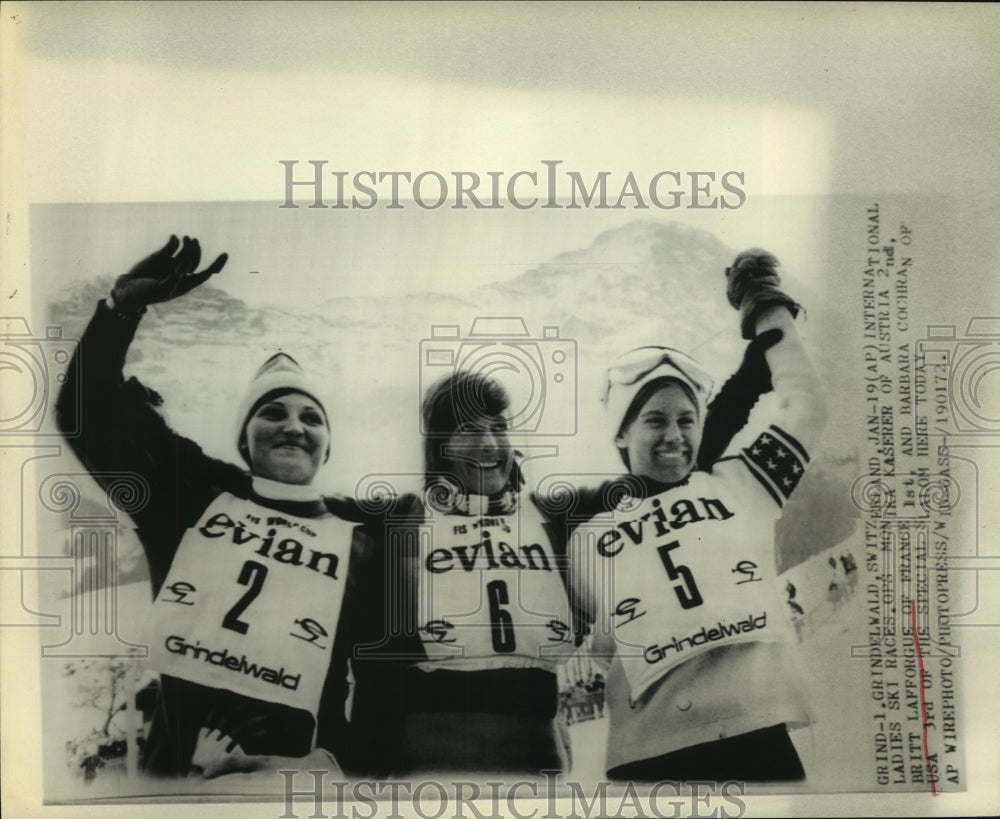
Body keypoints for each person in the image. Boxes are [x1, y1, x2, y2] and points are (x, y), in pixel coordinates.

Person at [56, 236, 365, 778]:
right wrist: (120, 309)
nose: (294, 426)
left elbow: (380, 686)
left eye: (312, 418)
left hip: (301, 790)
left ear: (327, 449)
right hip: (180, 787)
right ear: (244, 440)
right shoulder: (189, 503)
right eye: (272, 412)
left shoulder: (358, 538)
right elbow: (85, 415)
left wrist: (334, 764)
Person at [570, 248, 826, 781]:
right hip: (648, 752)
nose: (674, 434)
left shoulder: (742, 483)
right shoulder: (583, 533)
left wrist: (765, 308)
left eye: (687, 420)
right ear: (620, 433)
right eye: (654, 420)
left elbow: (805, 405)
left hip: (755, 729)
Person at [344, 371, 579, 775]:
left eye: (499, 428)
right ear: (440, 445)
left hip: (539, 766)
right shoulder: (401, 525)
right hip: (434, 771)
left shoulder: (545, 521)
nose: (489, 444)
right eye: (469, 429)